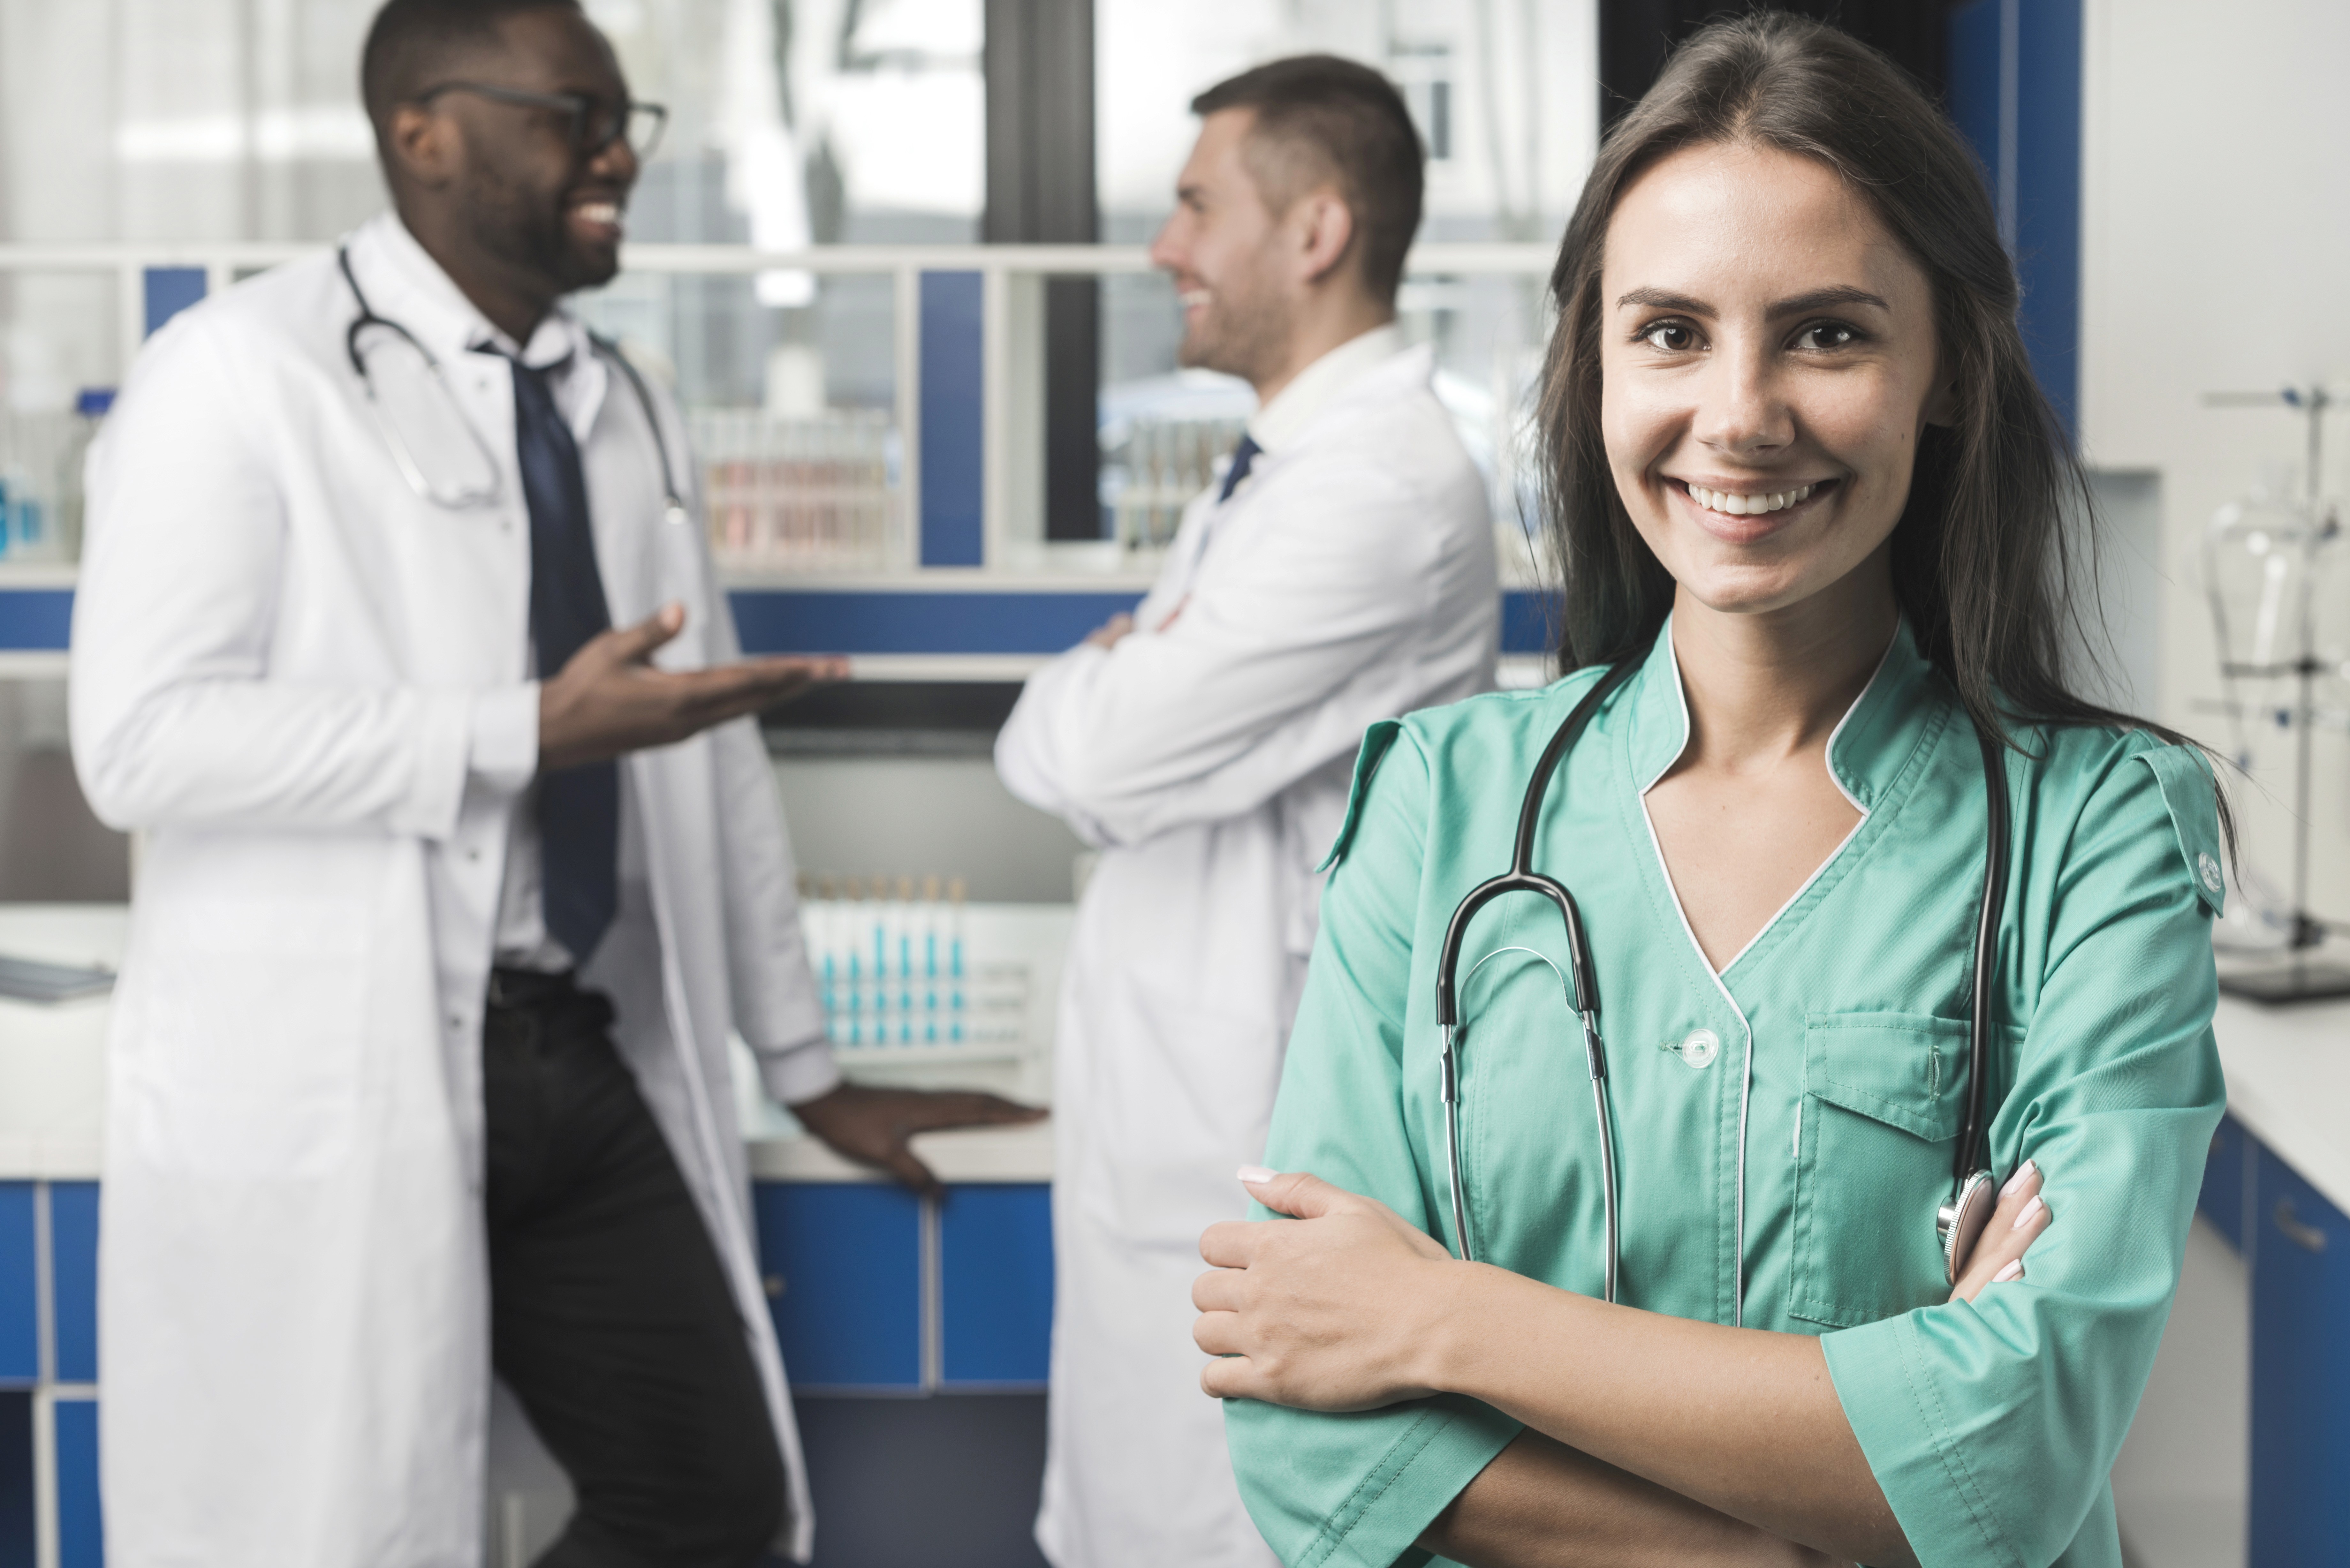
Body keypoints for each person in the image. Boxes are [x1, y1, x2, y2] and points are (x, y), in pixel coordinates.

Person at [1191, 15, 2227, 1568]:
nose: (1739, 414)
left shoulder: (2099, 831)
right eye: (1670, 332)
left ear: (1946, 370)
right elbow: (1306, 1431)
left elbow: (2017, 1453)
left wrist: (1439, 1317)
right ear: (1595, 368)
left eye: (1827, 334)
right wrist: (1802, 1535)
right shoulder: (1436, 803)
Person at [69, 2, 1037, 1563]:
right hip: (341, 1056)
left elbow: (709, 757)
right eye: (569, 118)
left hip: (562, 1049)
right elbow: (141, 740)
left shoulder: (624, 397)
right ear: (423, 133)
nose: (616, 157)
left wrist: (805, 1065)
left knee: (708, 1497)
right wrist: (515, 729)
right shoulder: (237, 372)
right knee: (334, 1525)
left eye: (623, 121)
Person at [994, 53, 1498, 1568]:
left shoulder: (1374, 491)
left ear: (1316, 231)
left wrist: (1104, 684)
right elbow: (1122, 750)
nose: (1166, 247)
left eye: (1196, 205)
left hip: (1257, 1129)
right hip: (1184, 1105)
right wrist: (1119, 699)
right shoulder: (1289, 460)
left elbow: (1088, 761)